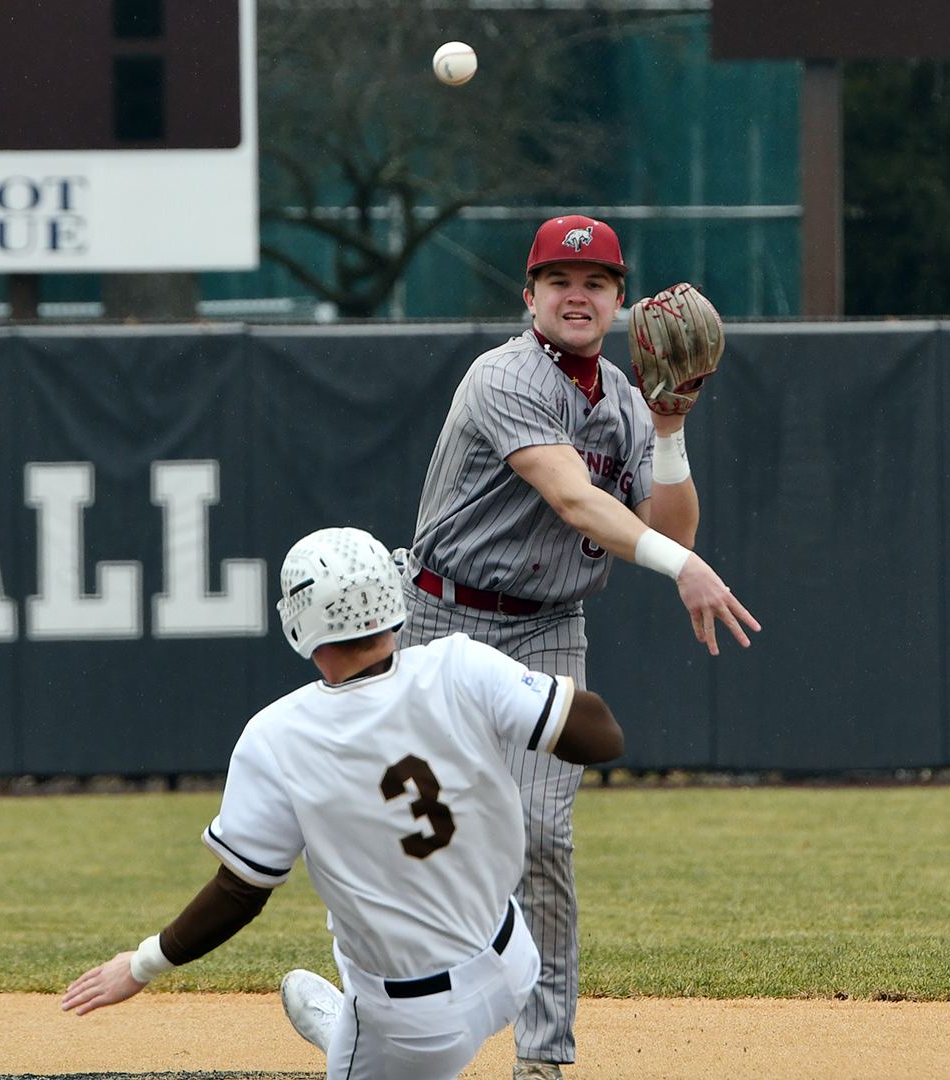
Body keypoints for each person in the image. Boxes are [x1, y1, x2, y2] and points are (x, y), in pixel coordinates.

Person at [62, 527, 625, 1080]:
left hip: (414, 1023)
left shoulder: (277, 735)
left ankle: (345, 1038)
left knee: (366, 1013)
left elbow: (240, 894)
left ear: (298, 621)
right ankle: (350, 1039)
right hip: (515, 963)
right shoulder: (460, 666)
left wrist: (141, 966)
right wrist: (522, 698)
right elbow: (602, 739)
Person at [399, 215, 758, 1078]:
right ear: (530, 298)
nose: (577, 295)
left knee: (540, 832)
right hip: (442, 623)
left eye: (595, 282)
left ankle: (544, 1060)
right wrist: (687, 569)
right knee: (415, 839)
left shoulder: (629, 406)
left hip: (549, 628)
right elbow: (573, 499)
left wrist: (669, 429)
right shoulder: (504, 377)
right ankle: (383, 1021)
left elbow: (665, 520)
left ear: (619, 302)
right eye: (559, 281)